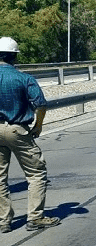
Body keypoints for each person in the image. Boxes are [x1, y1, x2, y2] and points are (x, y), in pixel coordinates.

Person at [0, 37, 59, 233]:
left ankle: (4, 221)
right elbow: (40, 104)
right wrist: (38, 126)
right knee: (36, 173)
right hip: (18, 129)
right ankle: (35, 217)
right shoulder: (24, 78)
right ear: (14, 56)